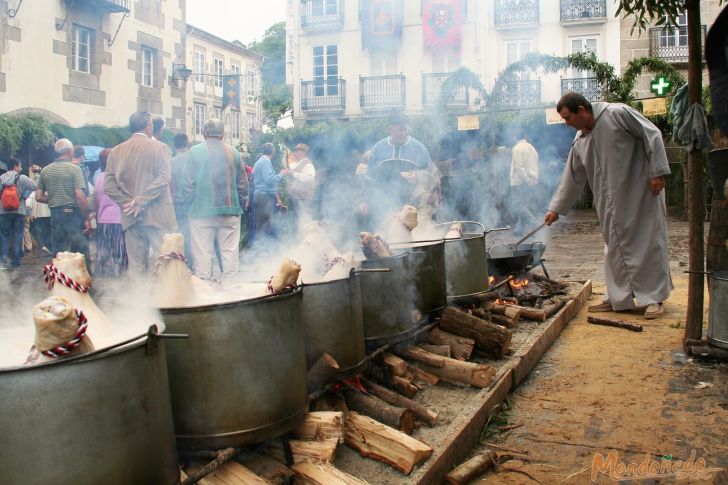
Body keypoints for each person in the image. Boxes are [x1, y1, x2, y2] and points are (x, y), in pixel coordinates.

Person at [544, 92, 673, 319]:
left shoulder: (617, 114)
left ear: (582, 110)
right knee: (614, 249)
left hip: (640, 194)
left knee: (648, 243)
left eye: (568, 118)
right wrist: (556, 209)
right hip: (609, 204)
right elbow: (572, 177)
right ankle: (618, 298)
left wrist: (657, 172)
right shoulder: (580, 139)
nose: (567, 124)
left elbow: (651, 134)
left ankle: (654, 299)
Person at [104, 112, 176, 275]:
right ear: (149, 127)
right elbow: (164, 177)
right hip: (158, 215)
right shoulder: (160, 147)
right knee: (164, 262)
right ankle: (166, 299)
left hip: (131, 217)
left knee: (136, 266)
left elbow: (109, 186)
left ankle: (139, 299)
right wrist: (139, 201)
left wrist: (129, 202)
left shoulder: (116, 151)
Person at [180, 118, 248, 283]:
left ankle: (204, 295)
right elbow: (243, 184)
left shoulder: (194, 152)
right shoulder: (234, 152)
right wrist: (241, 202)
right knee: (230, 255)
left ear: (204, 133)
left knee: (203, 256)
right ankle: (231, 294)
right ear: (223, 135)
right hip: (230, 212)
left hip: (201, 213)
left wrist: (189, 205)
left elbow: (186, 185)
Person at [367, 112, 434, 227]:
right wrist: (365, 201)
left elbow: (432, 176)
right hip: (383, 207)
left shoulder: (419, 148)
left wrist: (417, 176)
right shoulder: (378, 148)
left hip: (413, 208)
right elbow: (369, 178)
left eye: (406, 130)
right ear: (389, 130)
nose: (403, 134)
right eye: (400, 130)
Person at [36, 139, 89, 263]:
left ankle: (60, 281)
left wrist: (53, 199)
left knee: (59, 253)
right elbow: (80, 196)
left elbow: (38, 196)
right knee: (80, 251)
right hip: (72, 214)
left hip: (55, 215)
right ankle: (81, 281)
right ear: (70, 152)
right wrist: (86, 217)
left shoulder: (45, 170)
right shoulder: (75, 169)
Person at [94, 148, 128, 276]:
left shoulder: (99, 178)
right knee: (119, 254)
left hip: (102, 221)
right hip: (118, 221)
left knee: (104, 253)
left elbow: (97, 201)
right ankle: (119, 279)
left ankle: (105, 280)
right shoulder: (118, 178)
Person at [0, 158, 36, 269]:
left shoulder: (1, 178)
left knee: (4, 237)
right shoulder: (22, 178)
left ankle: (4, 262)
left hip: (3, 211)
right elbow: (35, 186)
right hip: (19, 211)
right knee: (18, 236)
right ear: (15, 166)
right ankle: (16, 263)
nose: (21, 168)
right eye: (20, 166)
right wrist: (37, 174)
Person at [252, 143, 289, 239]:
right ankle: (263, 249)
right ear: (273, 152)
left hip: (261, 197)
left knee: (262, 225)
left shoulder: (261, 161)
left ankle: (260, 248)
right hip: (264, 197)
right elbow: (270, 180)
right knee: (265, 226)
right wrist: (282, 174)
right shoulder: (264, 162)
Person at [510, 135, 540, 232]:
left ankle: (535, 224)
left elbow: (518, 168)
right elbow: (535, 165)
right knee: (523, 205)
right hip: (531, 181)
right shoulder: (531, 147)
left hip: (520, 182)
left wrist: (526, 180)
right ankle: (519, 230)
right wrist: (533, 180)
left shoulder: (517, 148)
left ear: (515, 137)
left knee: (517, 205)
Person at [170, 133, 192, 265]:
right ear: (187, 144)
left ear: (174, 146)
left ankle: (185, 265)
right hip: (195, 204)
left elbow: (170, 185)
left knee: (183, 237)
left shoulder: (172, 162)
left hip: (179, 205)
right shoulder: (194, 158)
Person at [286, 143, 316, 224]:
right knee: (295, 222)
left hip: (303, 198)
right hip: (295, 198)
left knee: (301, 222)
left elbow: (309, 178)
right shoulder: (297, 163)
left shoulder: (308, 164)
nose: (295, 153)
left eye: (297, 151)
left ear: (304, 152)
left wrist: (294, 174)